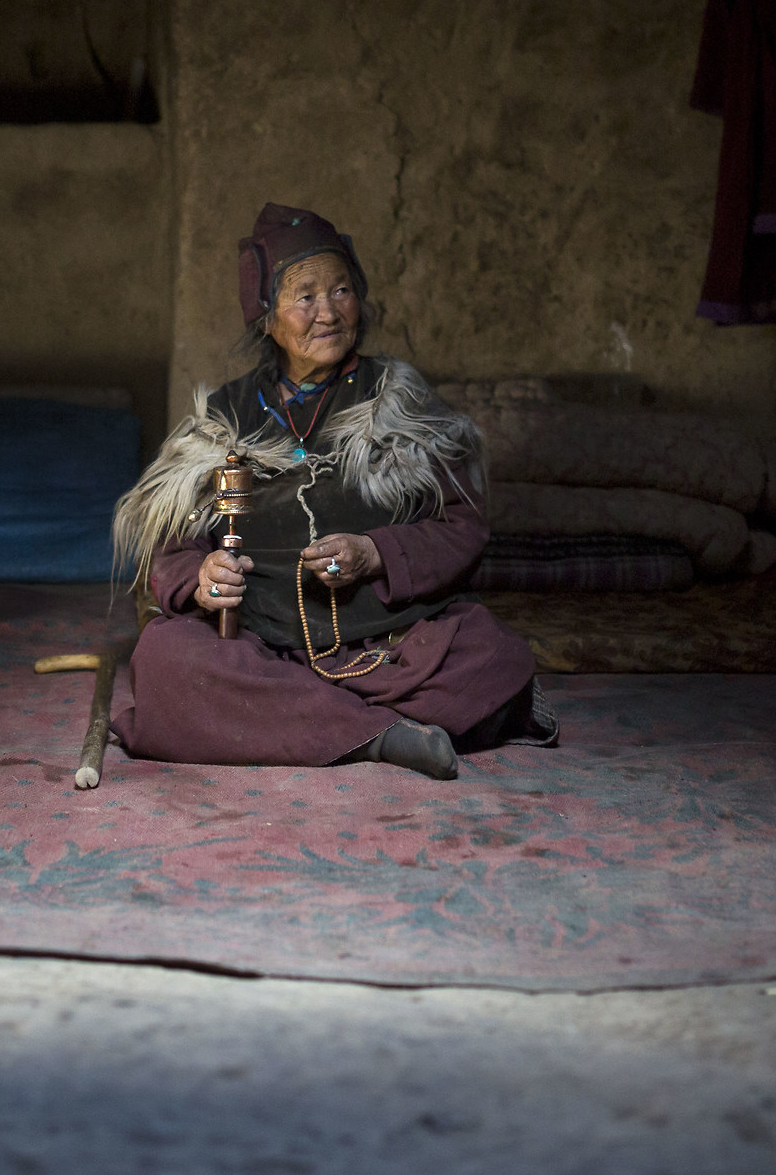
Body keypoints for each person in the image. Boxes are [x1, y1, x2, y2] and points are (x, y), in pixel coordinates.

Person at [109, 203, 556, 779]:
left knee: (490, 654)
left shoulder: (398, 400)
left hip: (388, 644)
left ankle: (303, 725)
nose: (327, 312)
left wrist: (376, 553)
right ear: (268, 320)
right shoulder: (224, 417)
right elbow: (172, 546)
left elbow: (462, 527)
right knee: (168, 659)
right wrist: (201, 579)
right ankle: (381, 737)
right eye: (305, 296)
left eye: (341, 290)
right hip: (259, 643)